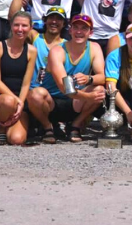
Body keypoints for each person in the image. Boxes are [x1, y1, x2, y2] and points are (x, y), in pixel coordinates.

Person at [27, 14, 106, 143]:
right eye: (76, 28)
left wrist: (88, 79)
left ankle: (76, 125)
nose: (79, 32)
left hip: (76, 102)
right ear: (70, 30)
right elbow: (65, 87)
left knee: (99, 89)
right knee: (35, 94)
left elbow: (102, 77)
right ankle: (48, 127)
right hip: (52, 102)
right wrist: (89, 97)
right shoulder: (57, 51)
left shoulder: (94, 48)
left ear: (90, 32)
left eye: (84, 29)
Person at [0, 11, 37, 145]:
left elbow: (26, 83)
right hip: (0, 100)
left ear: (31, 28)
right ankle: (1, 128)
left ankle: (12, 125)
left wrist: (20, 104)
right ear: (10, 26)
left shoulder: (32, 51)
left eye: (24, 26)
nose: (20, 29)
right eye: (16, 25)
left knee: (17, 140)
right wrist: (16, 101)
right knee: (8, 101)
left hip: (19, 100)